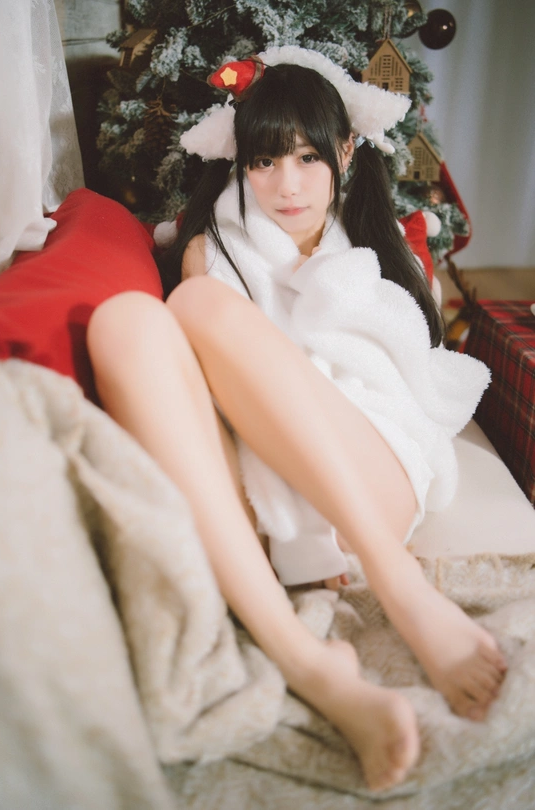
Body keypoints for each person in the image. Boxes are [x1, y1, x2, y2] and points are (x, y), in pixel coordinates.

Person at [86, 47, 507, 792]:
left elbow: (412, 389)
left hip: (365, 487)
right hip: (254, 507)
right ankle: (308, 663)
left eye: (309, 158)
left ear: (345, 152)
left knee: (196, 304)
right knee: (124, 320)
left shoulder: (387, 254)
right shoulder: (211, 251)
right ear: (240, 165)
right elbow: (208, 398)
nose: (287, 185)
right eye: (265, 161)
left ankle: (401, 587)